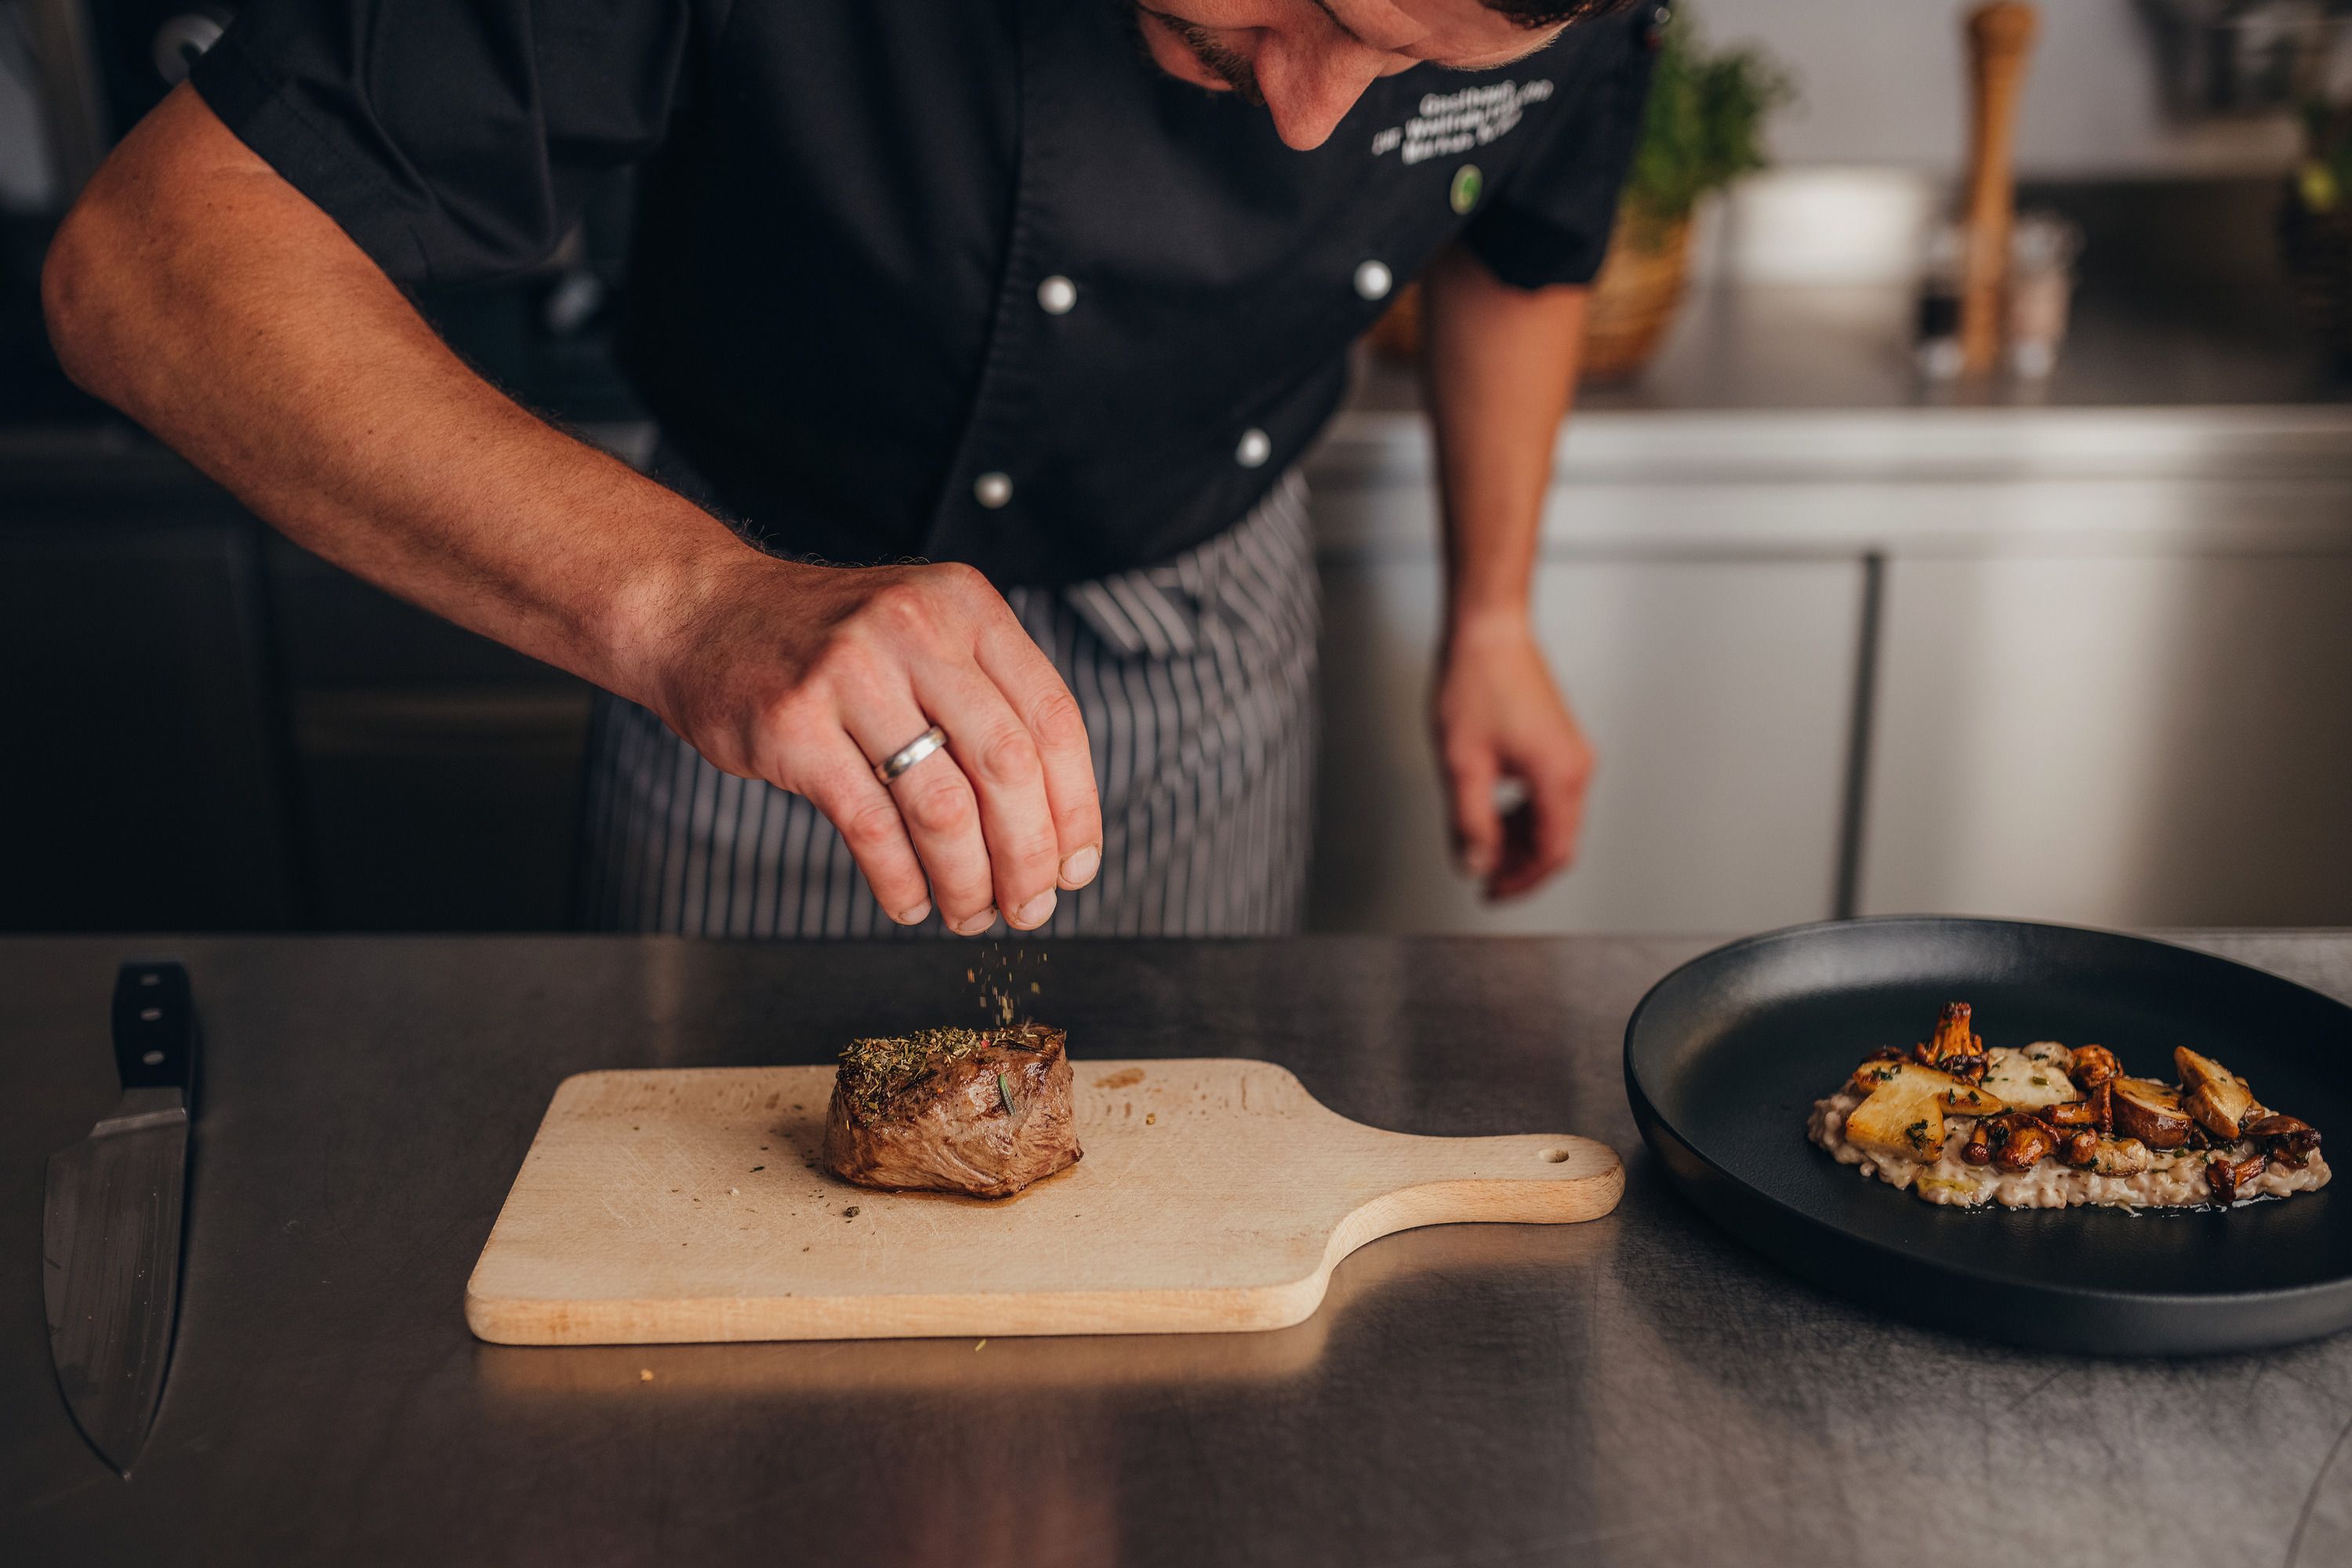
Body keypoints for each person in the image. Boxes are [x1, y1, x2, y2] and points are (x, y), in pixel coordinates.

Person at [43, 0, 1657, 938]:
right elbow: (146, 258)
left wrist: (1496, 613)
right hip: (763, 644)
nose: (1311, 115)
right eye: (1312, 2)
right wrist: (696, 604)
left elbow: (1526, 236)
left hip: (1218, 630)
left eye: (1414, 62)